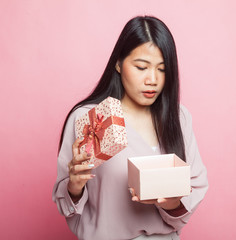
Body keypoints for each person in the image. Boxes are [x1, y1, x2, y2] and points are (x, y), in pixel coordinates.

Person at [52, 16, 208, 240]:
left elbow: (195, 184)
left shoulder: (178, 116)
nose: (152, 79)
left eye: (162, 69)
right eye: (141, 67)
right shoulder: (91, 118)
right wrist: (74, 187)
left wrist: (173, 203)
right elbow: (67, 203)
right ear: (118, 63)